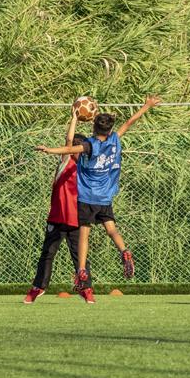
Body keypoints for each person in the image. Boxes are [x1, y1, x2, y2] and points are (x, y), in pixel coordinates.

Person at [35, 95, 160, 296]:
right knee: (112, 230)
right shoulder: (115, 140)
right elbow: (129, 122)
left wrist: (48, 150)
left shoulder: (89, 146)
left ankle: (81, 271)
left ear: (93, 127)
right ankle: (124, 251)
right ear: (110, 130)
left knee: (84, 235)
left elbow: (68, 147)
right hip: (106, 198)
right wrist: (147, 105)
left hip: (88, 198)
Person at [24, 109, 93, 304]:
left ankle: (85, 289)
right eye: (75, 147)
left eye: (81, 148)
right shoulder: (66, 161)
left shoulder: (87, 169)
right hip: (57, 218)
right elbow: (68, 142)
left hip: (77, 219)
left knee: (80, 257)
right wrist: (74, 119)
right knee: (47, 254)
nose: (76, 150)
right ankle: (38, 288)